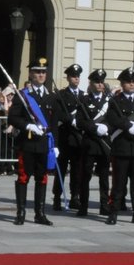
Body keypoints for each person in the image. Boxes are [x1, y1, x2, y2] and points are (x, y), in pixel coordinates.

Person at [5, 59, 58, 226]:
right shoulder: (23, 95)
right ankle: (20, 212)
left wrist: (55, 145)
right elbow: (12, 117)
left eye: (43, 72)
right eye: (37, 72)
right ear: (31, 74)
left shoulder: (51, 97)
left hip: (44, 144)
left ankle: (39, 213)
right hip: (27, 143)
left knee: (42, 178)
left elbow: (54, 123)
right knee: (23, 177)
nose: (41, 75)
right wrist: (28, 125)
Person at [104, 65, 134, 225]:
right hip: (122, 147)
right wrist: (128, 126)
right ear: (122, 84)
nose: (132, 84)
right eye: (128, 81)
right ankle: (114, 212)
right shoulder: (115, 101)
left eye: (133, 81)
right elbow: (111, 118)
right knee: (119, 183)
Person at [73, 69, 114, 216]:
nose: (100, 85)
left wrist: (106, 127)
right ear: (90, 83)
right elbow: (79, 121)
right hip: (89, 143)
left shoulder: (110, 101)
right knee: (85, 176)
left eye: (102, 82)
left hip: (104, 143)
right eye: (97, 82)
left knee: (104, 177)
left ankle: (104, 205)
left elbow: (114, 120)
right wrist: (94, 127)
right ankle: (83, 205)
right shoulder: (84, 100)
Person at [51, 64, 85, 210]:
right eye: (73, 76)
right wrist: (70, 119)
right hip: (65, 137)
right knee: (62, 169)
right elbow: (58, 114)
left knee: (77, 169)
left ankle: (75, 196)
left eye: (77, 76)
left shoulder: (83, 95)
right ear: (68, 78)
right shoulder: (61, 95)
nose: (76, 79)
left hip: (78, 138)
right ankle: (57, 197)